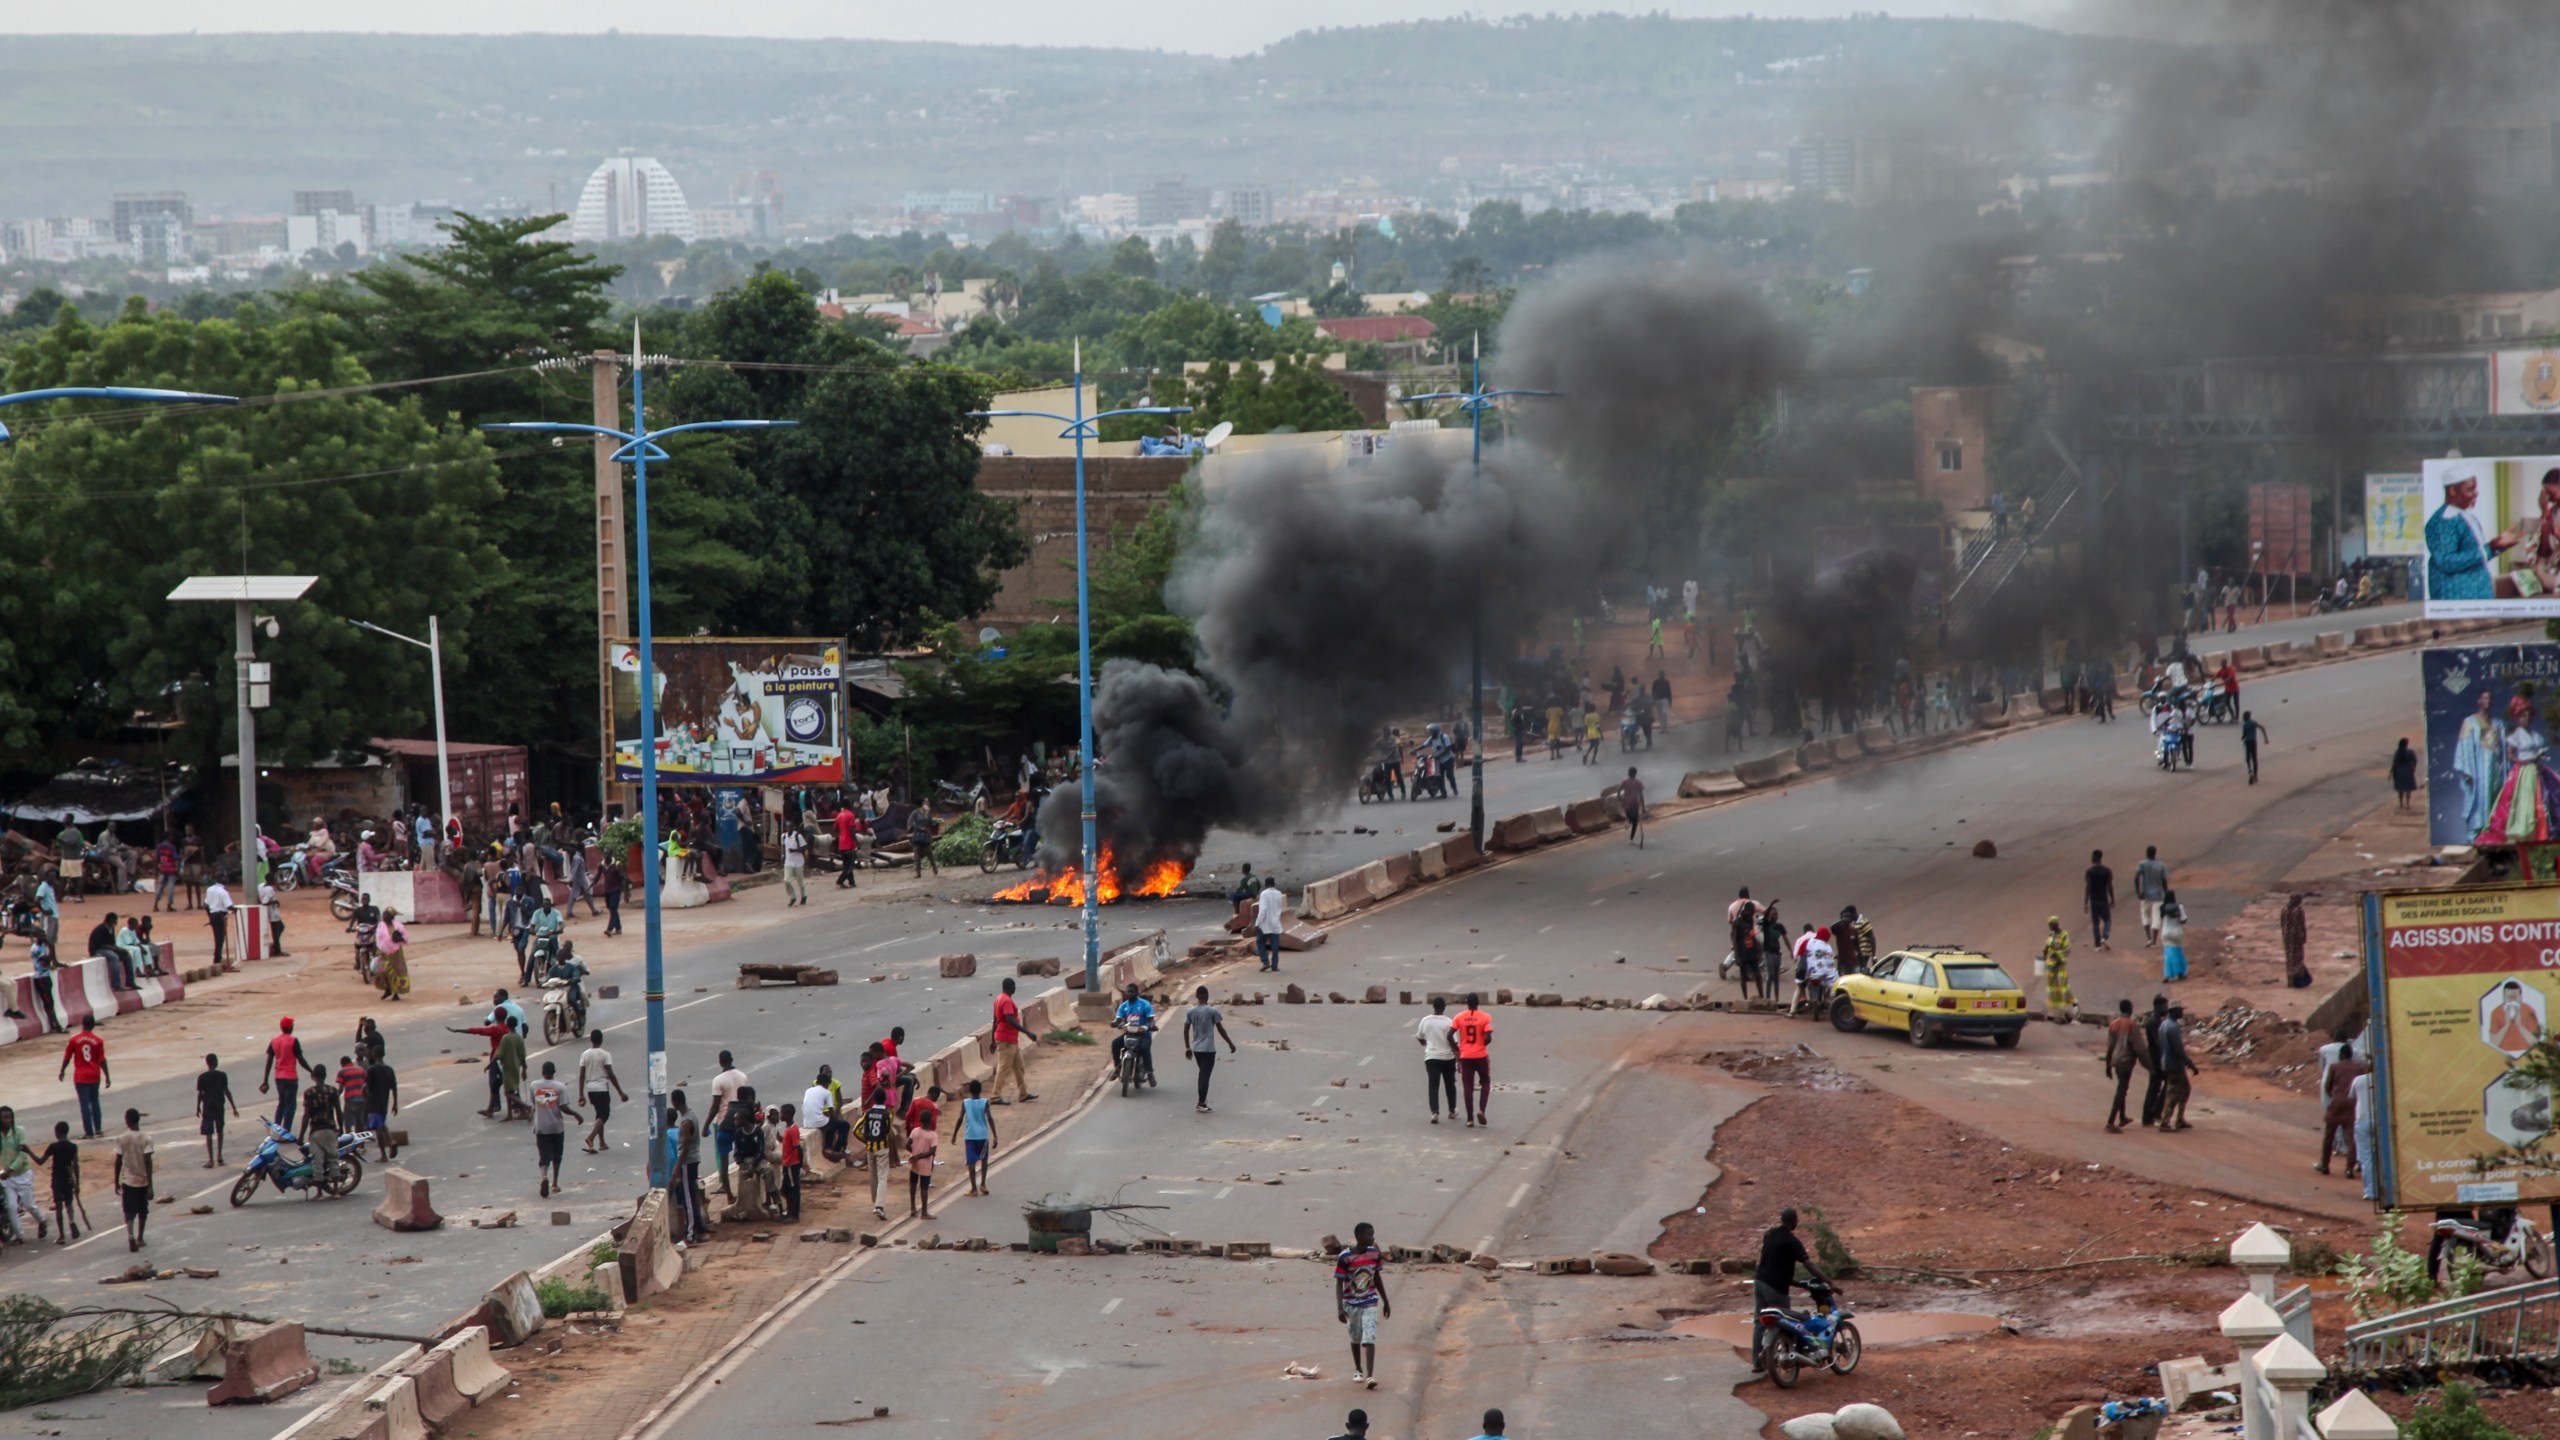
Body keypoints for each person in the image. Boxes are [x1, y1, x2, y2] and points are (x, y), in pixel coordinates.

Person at [1751, 1208, 1830, 1374]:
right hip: (1776, 1288)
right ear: (1794, 1221)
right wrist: (1829, 1282)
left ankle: (1758, 1362)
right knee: (1787, 1323)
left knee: (1760, 1323)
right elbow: (1808, 1264)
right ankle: (1790, 1360)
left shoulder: (1770, 1235)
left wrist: (1794, 1282)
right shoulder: (1791, 1241)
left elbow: (1773, 1261)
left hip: (1759, 1282)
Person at [2424, 469, 2502, 601]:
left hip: (2476, 598)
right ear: (2453, 491)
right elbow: (2446, 562)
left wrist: (2499, 545)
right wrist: (2490, 547)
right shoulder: (2444, 520)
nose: (2476, 493)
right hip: (2457, 599)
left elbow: (2475, 556)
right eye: (2471, 489)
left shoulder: (2467, 516)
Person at [1334, 1220, 1391, 1387]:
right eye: (1369, 1235)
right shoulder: (1345, 1257)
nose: (1372, 1238)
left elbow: (1377, 1277)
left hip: (1370, 1301)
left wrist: (1386, 1301)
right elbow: (1339, 1282)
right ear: (1359, 1237)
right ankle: (1358, 1369)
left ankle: (1370, 1376)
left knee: (1369, 1336)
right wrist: (1339, 1307)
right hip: (1351, 1303)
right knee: (1356, 1337)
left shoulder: (1374, 1254)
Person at [530, 1061, 581, 1199]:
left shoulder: (534, 1085)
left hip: (541, 1126)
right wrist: (576, 1114)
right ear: (554, 1072)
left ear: (542, 1072)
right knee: (557, 1155)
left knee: (544, 1155)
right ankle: (554, 1183)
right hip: (556, 1127)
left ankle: (544, 1175)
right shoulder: (560, 1087)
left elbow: (533, 1101)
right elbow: (563, 1107)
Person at [1183, 985, 1237, 1113]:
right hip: (1208, 1049)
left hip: (1196, 1048)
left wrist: (1187, 1047)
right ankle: (1201, 1102)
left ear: (1197, 997)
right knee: (1205, 1075)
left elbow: (1186, 1029)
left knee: (1202, 1072)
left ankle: (1202, 1101)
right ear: (1207, 996)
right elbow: (1221, 1029)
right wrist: (1230, 1043)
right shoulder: (1213, 1011)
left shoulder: (1191, 1011)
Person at [2318, 1039, 2368, 1177]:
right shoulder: (2359, 1068)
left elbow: (2327, 1086)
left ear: (2341, 1055)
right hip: (2352, 1105)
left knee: (2329, 1134)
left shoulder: (2334, 1067)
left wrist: (2334, 1096)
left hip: (2337, 1103)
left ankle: (2324, 1164)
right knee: (2351, 1137)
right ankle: (2348, 1168)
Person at [260, 1017, 317, 1131]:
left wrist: (265, 1080)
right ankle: (286, 1130)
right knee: (291, 1105)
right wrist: (311, 1071)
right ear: (290, 1027)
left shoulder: (274, 1040)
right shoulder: (293, 1041)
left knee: (282, 1102)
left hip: (279, 1077)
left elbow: (269, 1061)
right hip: (291, 1077)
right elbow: (300, 1059)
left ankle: (276, 1129)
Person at [667, 1089, 709, 1244]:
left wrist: (677, 1168)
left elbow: (684, 1147)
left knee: (688, 1198)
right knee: (692, 1194)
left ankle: (690, 1235)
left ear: (675, 1101)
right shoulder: (691, 1116)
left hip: (687, 1162)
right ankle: (699, 1229)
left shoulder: (685, 1122)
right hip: (693, 1159)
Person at [577, 1030, 628, 1155]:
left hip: (590, 1090)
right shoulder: (605, 1054)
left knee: (599, 1114)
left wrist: (581, 1094)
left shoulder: (585, 1054)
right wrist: (620, 1092)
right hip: (601, 1089)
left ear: (591, 1040)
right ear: (601, 1040)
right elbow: (610, 1074)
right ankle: (591, 1137)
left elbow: (581, 1075)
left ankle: (602, 1142)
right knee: (604, 1115)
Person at [59, 1016, 109, 1138]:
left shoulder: (74, 1040)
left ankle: (89, 1132)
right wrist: (107, 1075)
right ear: (93, 1025)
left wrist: (62, 1070)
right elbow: (102, 1060)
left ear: (82, 1024)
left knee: (84, 1104)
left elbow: (67, 1057)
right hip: (94, 1075)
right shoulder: (98, 1040)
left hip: (81, 1076)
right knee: (95, 1101)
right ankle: (98, 1129)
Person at [112, 1107, 153, 1253]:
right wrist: (150, 1185)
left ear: (127, 1121)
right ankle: (140, 1237)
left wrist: (116, 1181)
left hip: (128, 1180)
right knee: (143, 1210)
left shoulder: (121, 1139)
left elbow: (118, 1161)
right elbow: (148, 1161)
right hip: (142, 1180)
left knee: (129, 1211)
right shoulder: (146, 1139)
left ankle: (130, 1235)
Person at [708, 1050, 749, 1197]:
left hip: (723, 1122)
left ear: (720, 1062)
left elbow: (715, 1106)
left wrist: (706, 1125)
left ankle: (725, 1187)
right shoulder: (743, 1076)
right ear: (732, 1059)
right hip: (741, 1121)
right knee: (742, 1155)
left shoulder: (718, 1080)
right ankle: (746, 1186)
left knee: (722, 1156)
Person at [991, 977, 1037, 1105]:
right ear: (1010, 987)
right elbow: (1010, 1019)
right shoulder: (1006, 1001)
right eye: (1014, 986)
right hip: (1006, 1039)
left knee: (1019, 1066)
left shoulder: (998, 999)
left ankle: (1023, 1094)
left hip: (1010, 1039)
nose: (1015, 988)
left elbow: (995, 1020)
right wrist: (1027, 1032)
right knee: (1003, 1068)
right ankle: (995, 1096)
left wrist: (992, 1039)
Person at [2102, 999, 2146, 1133]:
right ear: (2130, 1009)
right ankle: (2111, 1122)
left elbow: (2109, 1047)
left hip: (2116, 1060)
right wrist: (2149, 1065)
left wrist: (2108, 1066)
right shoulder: (2132, 1025)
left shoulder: (2113, 1024)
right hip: (2126, 1061)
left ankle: (2122, 1117)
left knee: (2122, 1087)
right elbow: (2139, 1048)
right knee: (2121, 1090)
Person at [1453, 993, 1494, 1127]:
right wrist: (1482, 1045)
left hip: (1465, 1056)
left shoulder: (1459, 1017)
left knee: (1468, 1086)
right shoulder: (1485, 1017)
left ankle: (1470, 1119)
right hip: (1480, 1055)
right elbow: (1488, 1037)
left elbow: (1449, 1035)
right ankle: (1481, 1109)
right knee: (1486, 1081)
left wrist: (1457, 1049)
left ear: (1467, 1003)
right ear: (1478, 1003)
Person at [0, 1108, 41, 1243]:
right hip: (7, 1177)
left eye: (9, 1117)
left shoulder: (19, 1131)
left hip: (22, 1173)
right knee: (11, 1206)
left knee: (29, 1204)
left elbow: (22, 1154)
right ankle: (19, 1235)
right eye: (4, 1118)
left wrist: (10, 1170)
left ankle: (42, 1220)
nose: (8, 1120)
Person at [1416, 995, 1459, 1123]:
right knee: (1450, 1084)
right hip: (1447, 1057)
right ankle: (1452, 1110)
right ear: (1444, 1008)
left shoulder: (1426, 1021)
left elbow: (1419, 1036)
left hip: (1432, 1057)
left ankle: (1434, 1112)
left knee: (1433, 1085)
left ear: (1433, 1007)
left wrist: (1425, 1043)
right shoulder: (1448, 1022)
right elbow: (1454, 1041)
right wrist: (1458, 1057)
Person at [2156, 1003, 2198, 1130]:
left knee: (2185, 1090)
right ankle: (2165, 1121)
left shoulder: (2163, 1025)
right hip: (2174, 1064)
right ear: (2174, 1011)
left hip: (2167, 1062)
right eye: (2180, 1010)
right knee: (2173, 1093)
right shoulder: (2173, 1027)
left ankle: (2179, 1118)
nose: (2182, 1013)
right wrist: (2190, 1064)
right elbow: (2178, 1050)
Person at [36, 1121, 79, 1243]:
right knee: (69, 1203)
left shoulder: (53, 1147)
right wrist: (77, 1183)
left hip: (57, 1180)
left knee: (59, 1207)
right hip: (68, 1179)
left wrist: (28, 1151)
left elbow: (40, 1161)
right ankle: (71, 1221)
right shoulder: (73, 1147)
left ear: (57, 1133)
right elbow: (75, 1165)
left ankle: (61, 1236)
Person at [954, 1079, 997, 1197]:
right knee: (984, 1160)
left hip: (970, 1135)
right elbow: (990, 1118)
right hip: (983, 1135)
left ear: (970, 1090)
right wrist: (995, 1135)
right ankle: (983, 1183)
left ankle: (973, 1188)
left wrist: (954, 1134)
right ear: (980, 1090)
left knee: (971, 1161)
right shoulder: (985, 1102)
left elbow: (960, 1119)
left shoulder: (966, 1102)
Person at [1110, 983, 1157, 1087]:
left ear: (1137, 993)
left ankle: (1150, 1073)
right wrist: (1115, 1023)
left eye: (1132, 992)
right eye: (1128, 992)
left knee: (1145, 1049)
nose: (1129, 994)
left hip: (1143, 1034)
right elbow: (1118, 1019)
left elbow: (1151, 1020)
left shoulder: (1145, 1005)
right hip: (1129, 1033)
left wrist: (1150, 1026)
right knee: (1115, 1044)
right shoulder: (1124, 1006)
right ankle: (1117, 1068)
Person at [363, 1050, 400, 1162]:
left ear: (374, 1055)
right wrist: (395, 1103)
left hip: (374, 1102)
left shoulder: (371, 1069)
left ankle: (383, 1155)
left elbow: (366, 1087)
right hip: (384, 1101)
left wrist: (366, 1099)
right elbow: (394, 1087)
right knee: (382, 1124)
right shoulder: (389, 1070)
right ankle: (391, 1141)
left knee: (378, 1129)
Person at [2040, 917, 2076, 1022]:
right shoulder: (2051, 935)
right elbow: (2046, 947)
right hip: (2050, 966)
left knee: (2062, 987)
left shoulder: (2064, 935)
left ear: (2056, 924)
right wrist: (2045, 952)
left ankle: (2067, 1010)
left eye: (2051, 924)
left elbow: (2067, 950)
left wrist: (2057, 954)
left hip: (2060, 965)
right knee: (2052, 989)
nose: (2050, 926)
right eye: (2049, 925)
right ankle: (2055, 1012)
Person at [2133, 846, 2170, 947]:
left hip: (2146, 895)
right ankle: (2154, 941)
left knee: (2145, 915)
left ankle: (2148, 938)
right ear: (2155, 853)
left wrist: (2138, 892)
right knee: (2156, 917)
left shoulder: (2143, 864)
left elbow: (2136, 877)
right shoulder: (2161, 865)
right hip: (2158, 895)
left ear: (2146, 853)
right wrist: (2166, 894)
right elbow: (2164, 881)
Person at [374, 907, 411, 1000]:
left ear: (391, 917)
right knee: (382, 971)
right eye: (384, 914)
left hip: (395, 952)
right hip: (383, 953)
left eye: (386, 915)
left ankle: (396, 993)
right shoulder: (381, 925)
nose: (384, 916)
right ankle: (387, 989)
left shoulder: (398, 925)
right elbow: (378, 937)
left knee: (396, 973)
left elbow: (406, 937)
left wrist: (400, 938)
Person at [907, 1112, 938, 1219]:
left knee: (913, 1184)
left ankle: (912, 1208)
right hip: (925, 1164)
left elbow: (907, 1145)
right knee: (924, 1187)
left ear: (920, 1121)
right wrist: (920, 1156)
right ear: (931, 1121)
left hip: (914, 1162)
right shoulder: (933, 1135)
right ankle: (924, 1212)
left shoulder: (915, 1131)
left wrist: (914, 1153)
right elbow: (932, 1152)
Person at [2279, 892, 2313, 989]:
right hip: (2297, 938)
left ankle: (2290, 980)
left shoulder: (2284, 909)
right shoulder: (2298, 910)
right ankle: (2299, 981)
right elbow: (2301, 925)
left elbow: (2282, 923)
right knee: (2298, 958)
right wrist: (2303, 937)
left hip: (2287, 938)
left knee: (2290, 959)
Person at [1255, 877, 1288, 972]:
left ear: (1265, 884)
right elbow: (1280, 906)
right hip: (1275, 923)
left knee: (1260, 942)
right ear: (1274, 884)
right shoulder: (1279, 893)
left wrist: (1257, 923)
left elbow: (1263, 910)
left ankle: (1265, 961)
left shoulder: (1264, 894)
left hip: (1265, 923)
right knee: (1275, 946)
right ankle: (1275, 965)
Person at [2084, 849, 2116, 949]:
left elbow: (2088, 887)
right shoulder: (2107, 871)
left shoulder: (2089, 872)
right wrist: (2113, 899)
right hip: (2104, 899)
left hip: (2094, 901)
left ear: (2093, 858)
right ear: (2101, 858)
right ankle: (2105, 937)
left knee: (2095, 923)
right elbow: (2110, 886)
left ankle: (2097, 945)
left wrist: (2085, 902)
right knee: (2107, 920)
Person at [2159, 890, 2190, 981]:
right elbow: (2183, 920)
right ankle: (2181, 973)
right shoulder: (2179, 907)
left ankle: (2168, 975)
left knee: (2168, 954)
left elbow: (2161, 917)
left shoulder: (2162, 907)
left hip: (2166, 932)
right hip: (2177, 932)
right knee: (2178, 952)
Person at [204, 876, 234, 969]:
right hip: (220, 916)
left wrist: (210, 917)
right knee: (220, 938)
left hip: (213, 915)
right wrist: (236, 909)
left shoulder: (209, 889)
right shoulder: (223, 892)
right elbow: (229, 906)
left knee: (217, 937)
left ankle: (218, 957)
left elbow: (206, 904)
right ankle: (217, 959)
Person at [781, 823, 809, 907]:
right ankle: (792, 897)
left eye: (790, 827)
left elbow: (804, 847)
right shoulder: (784, 836)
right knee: (786, 881)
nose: (788, 828)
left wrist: (795, 850)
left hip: (798, 862)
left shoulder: (798, 836)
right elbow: (783, 846)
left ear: (793, 827)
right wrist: (783, 856)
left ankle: (804, 895)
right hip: (788, 862)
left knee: (800, 881)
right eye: (787, 826)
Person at [598, 851, 626, 935]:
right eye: (605, 854)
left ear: (611, 855)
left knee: (613, 908)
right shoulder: (602, 865)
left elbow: (623, 878)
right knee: (611, 908)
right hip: (607, 891)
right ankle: (618, 928)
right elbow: (597, 876)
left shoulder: (617, 865)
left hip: (616, 889)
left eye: (607, 854)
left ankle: (610, 929)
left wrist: (626, 892)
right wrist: (590, 886)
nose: (606, 856)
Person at [2240, 711, 2271, 785]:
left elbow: (2244, 735)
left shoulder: (2245, 725)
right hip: (2253, 742)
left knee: (2248, 758)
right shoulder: (2253, 723)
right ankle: (2256, 776)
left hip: (2247, 742)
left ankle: (2250, 772)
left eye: (2243, 716)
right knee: (2254, 759)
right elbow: (2262, 728)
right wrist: (2265, 739)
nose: (2243, 718)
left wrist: (2242, 738)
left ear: (2245, 717)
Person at [2392, 737, 2421, 813]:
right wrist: (2413, 768)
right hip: (2408, 770)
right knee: (2408, 788)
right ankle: (2407, 804)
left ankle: (2401, 803)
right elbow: (2415, 761)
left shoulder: (2398, 752)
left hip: (2399, 771)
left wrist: (2392, 772)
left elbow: (2395, 763)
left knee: (2400, 788)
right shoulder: (2410, 752)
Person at [1622, 767, 1646, 847]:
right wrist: (1643, 807)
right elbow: (1641, 796)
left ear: (1628, 773)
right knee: (1635, 822)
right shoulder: (1638, 783)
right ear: (1635, 773)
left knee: (1630, 817)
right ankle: (1631, 839)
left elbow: (1619, 790)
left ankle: (1628, 822)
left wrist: (1619, 798)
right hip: (1634, 804)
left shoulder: (1624, 781)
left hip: (1626, 803)